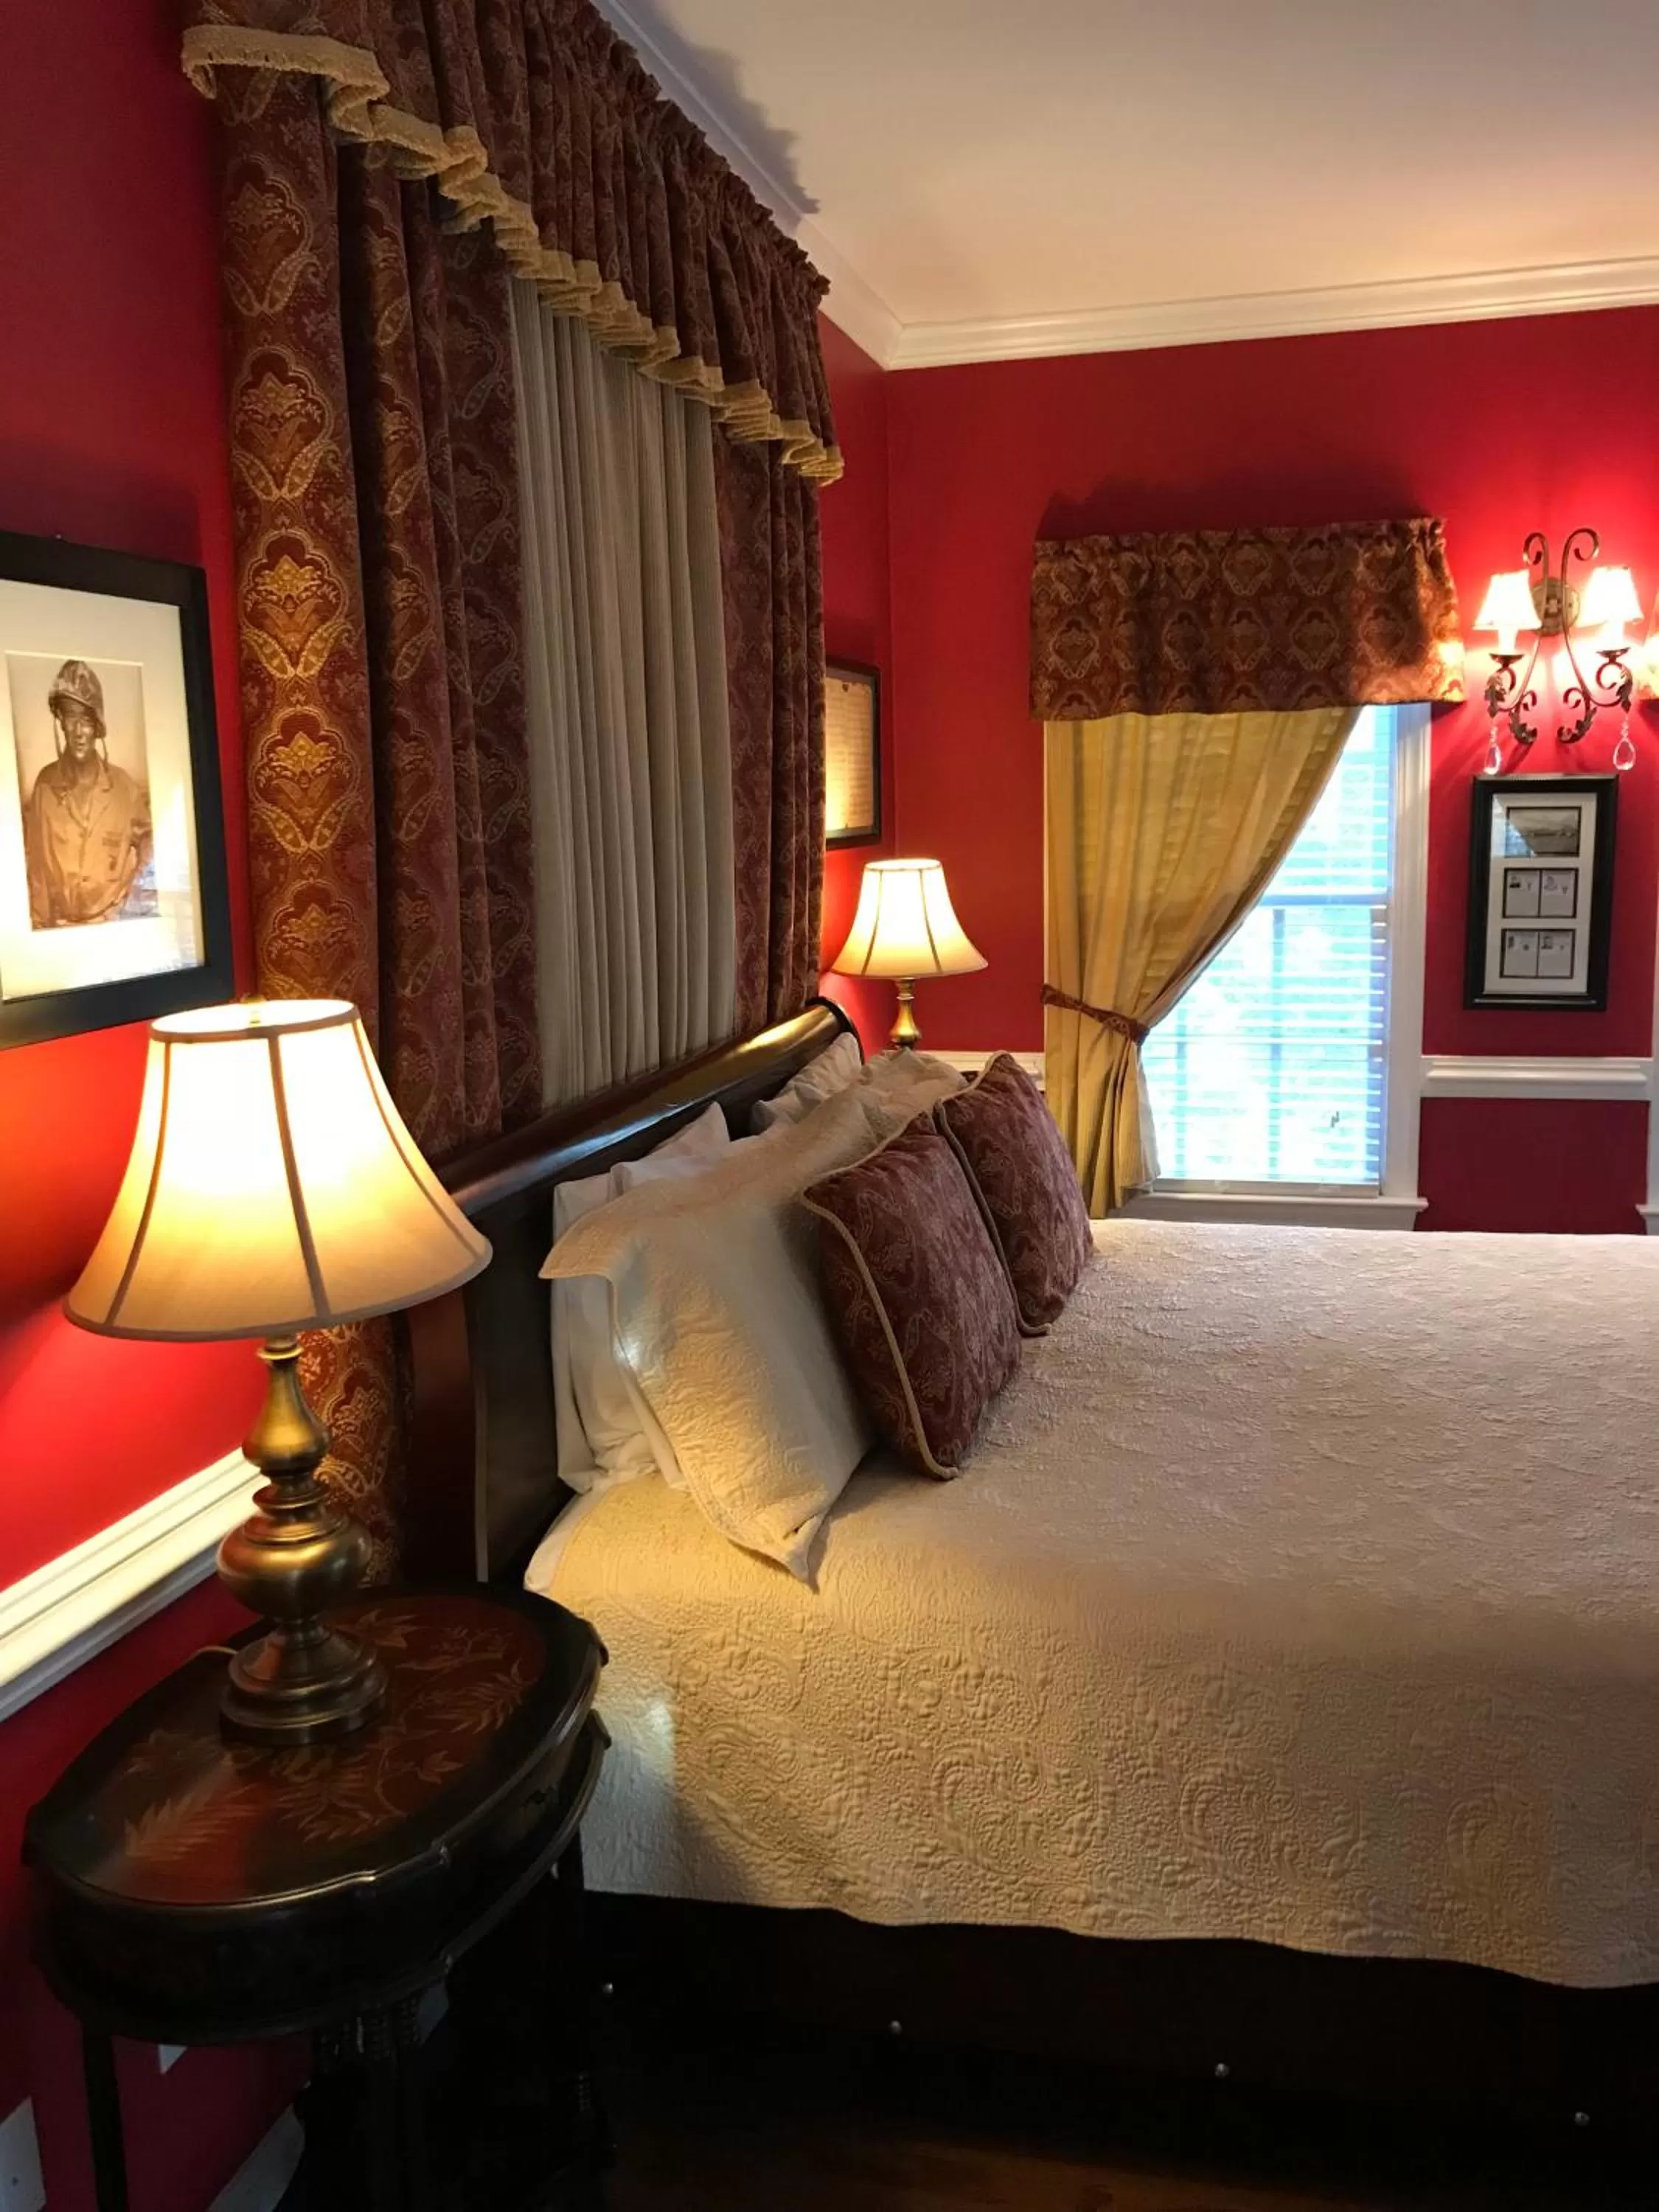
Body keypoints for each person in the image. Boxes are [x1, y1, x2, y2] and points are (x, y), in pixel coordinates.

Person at [24, 659, 152, 928]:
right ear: (60, 721)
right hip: (60, 926)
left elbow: (152, 840)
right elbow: (37, 869)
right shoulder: (45, 785)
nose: (79, 732)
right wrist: (39, 929)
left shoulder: (123, 786)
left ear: (97, 727)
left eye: (86, 720)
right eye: (71, 717)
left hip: (112, 922)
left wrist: (134, 898)